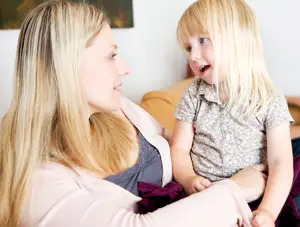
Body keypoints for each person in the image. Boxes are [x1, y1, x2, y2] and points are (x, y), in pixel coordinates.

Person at [0, 1, 267, 226]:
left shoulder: (117, 107)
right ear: (64, 67)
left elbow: (177, 143)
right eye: (111, 56)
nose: (126, 68)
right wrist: (237, 188)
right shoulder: (37, 184)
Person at [171, 0, 294, 227]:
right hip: (202, 196)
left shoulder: (269, 98)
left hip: (254, 200)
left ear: (237, 39)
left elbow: (280, 163)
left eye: (202, 40)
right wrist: (188, 178)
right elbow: (178, 148)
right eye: (188, 48)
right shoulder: (193, 94)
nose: (194, 56)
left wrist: (267, 211)